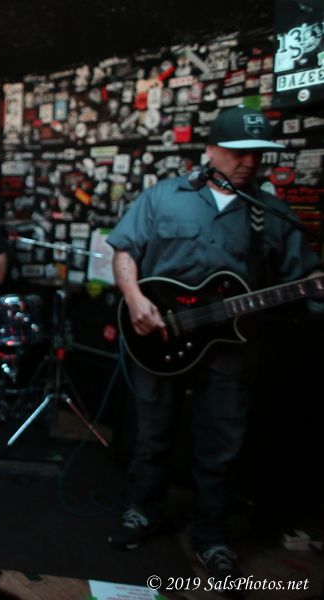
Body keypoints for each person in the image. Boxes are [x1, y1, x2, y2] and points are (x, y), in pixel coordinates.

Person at [105, 106, 322, 584]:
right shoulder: (164, 197)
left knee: (222, 444)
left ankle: (212, 536)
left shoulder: (271, 213)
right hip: (159, 335)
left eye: (257, 153)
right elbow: (124, 251)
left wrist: (312, 291)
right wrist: (135, 298)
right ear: (210, 149)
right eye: (238, 152)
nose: (249, 162)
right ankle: (144, 510)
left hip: (232, 348)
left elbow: (304, 281)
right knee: (152, 433)